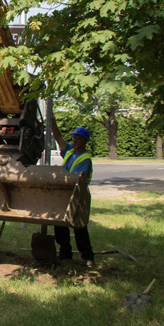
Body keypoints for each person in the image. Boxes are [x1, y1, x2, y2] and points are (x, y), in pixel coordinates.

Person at [50, 114, 95, 266]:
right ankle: (65, 253)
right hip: (66, 193)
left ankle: (87, 256)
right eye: (74, 138)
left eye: (78, 138)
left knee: (79, 226)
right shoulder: (69, 151)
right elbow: (59, 138)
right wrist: (53, 123)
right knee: (60, 224)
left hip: (79, 195)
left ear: (84, 141)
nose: (74, 140)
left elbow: (76, 178)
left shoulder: (85, 159)